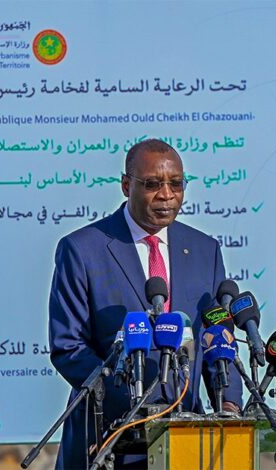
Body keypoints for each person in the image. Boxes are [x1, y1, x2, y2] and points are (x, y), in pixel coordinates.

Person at [49, 139, 242, 469]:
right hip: (109, 437)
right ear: (127, 186)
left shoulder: (204, 250)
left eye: (176, 184)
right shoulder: (82, 250)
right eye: (152, 184)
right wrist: (136, 402)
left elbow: (217, 337)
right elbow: (69, 348)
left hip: (185, 437)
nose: (166, 195)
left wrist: (229, 403)